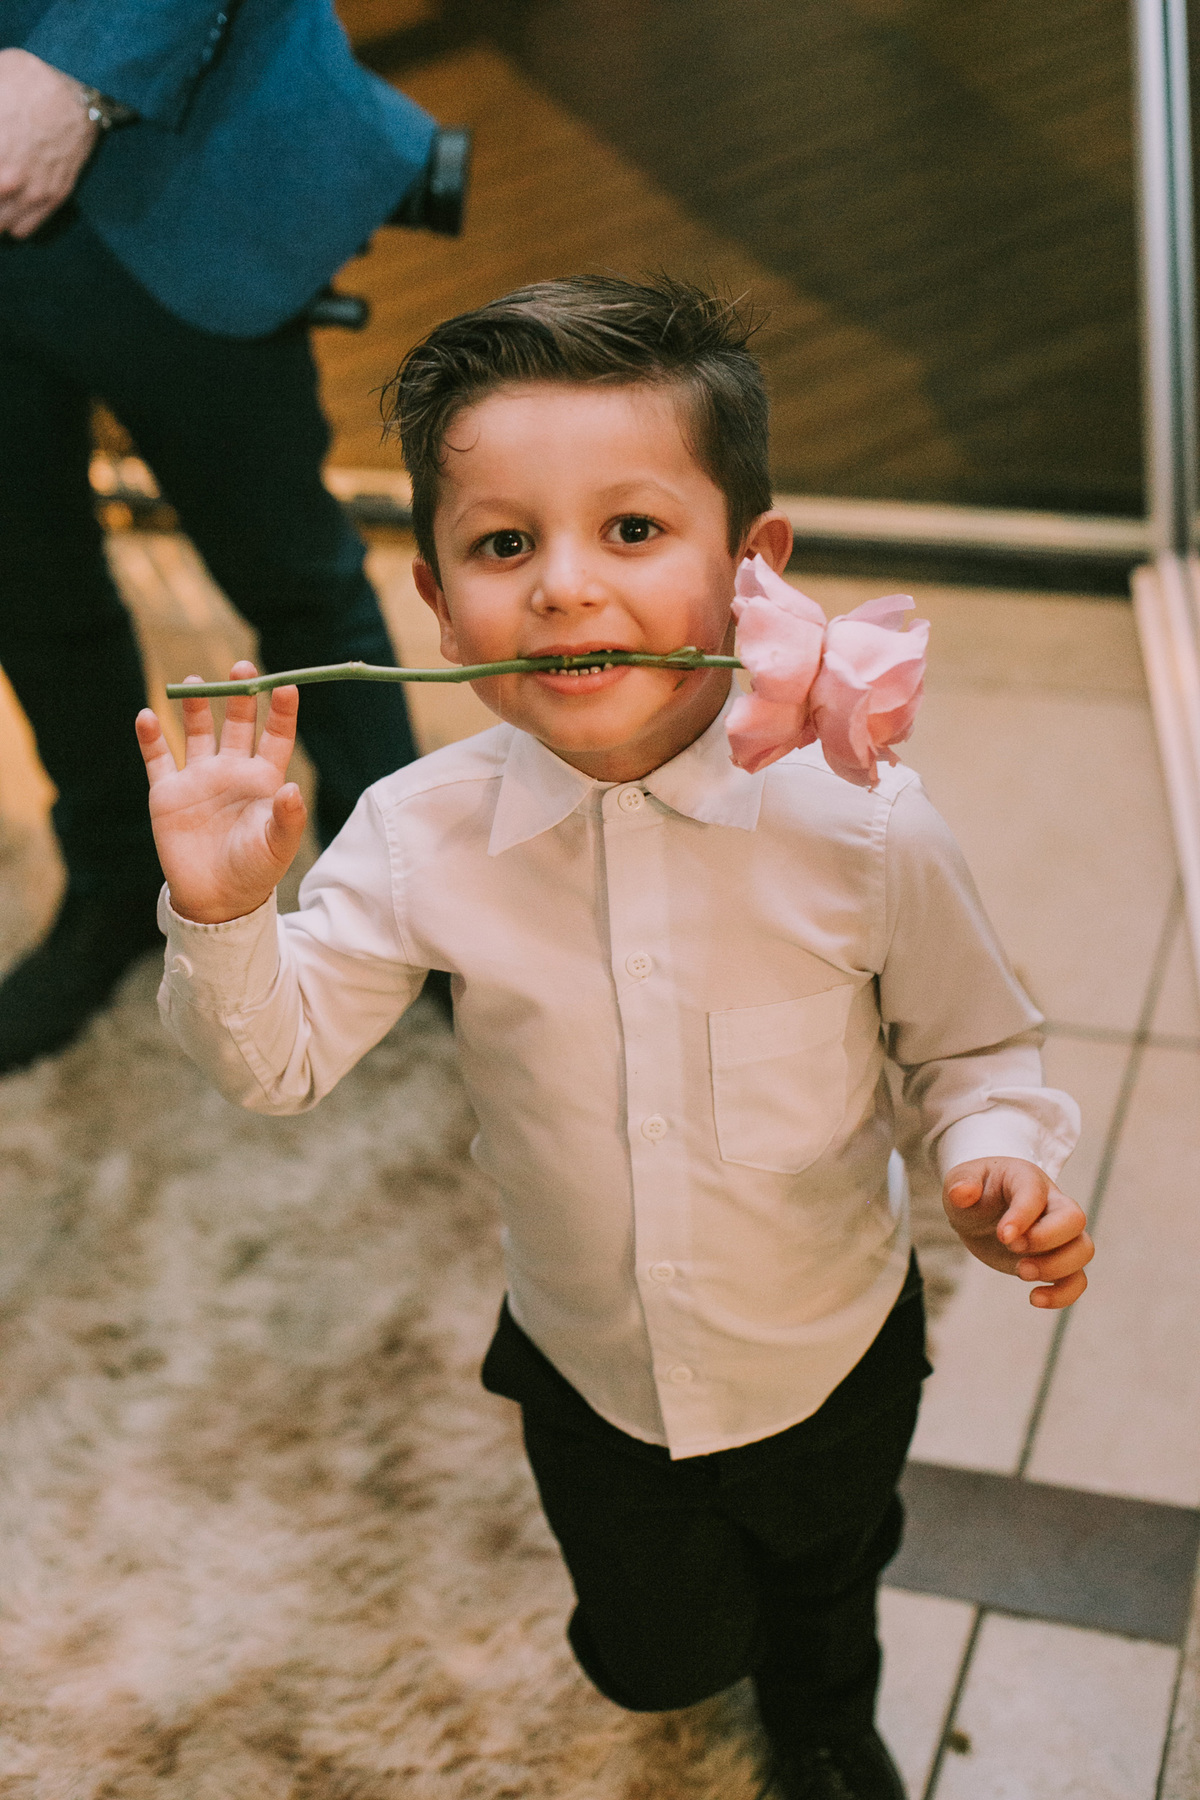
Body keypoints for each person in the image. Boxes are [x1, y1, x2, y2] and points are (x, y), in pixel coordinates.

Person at [134, 277, 1092, 1800]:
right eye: (505, 546)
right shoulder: (419, 834)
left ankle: (825, 1718)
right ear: (436, 599)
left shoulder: (863, 828)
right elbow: (276, 1061)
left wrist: (995, 1159)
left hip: (830, 1354)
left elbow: (976, 1048)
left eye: (632, 530)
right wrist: (228, 913)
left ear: (753, 567)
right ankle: (699, 1653)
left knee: (830, 1580)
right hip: (594, 1373)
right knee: (653, 1655)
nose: (565, 589)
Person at [0, 0, 455, 1072]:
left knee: (293, 572)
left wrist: (79, 76)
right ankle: (115, 874)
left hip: (171, 157)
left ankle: (392, 881)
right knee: (25, 587)